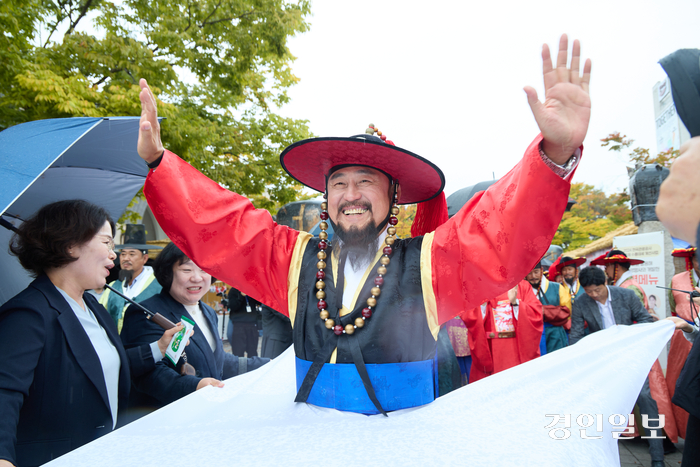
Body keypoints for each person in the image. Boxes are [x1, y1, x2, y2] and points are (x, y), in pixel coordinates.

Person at [135, 34, 591, 414]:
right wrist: (160, 164)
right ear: (326, 198)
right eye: (339, 184)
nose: (350, 195)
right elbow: (226, 226)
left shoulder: (428, 266)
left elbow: (496, 231)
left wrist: (553, 154)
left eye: (365, 182)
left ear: (393, 197)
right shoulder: (295, 262)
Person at [0, 200, 180, 467]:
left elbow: (95, 369)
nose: (114, 254)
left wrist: (158, 349)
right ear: (70, 244)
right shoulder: (28, 314)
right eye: (107, 242)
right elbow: (5, 393)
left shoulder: (93, 305)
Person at [120, 242, 269, 410]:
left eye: (204, 270)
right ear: (168, 273)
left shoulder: (207, 311)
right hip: (167, 416)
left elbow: (215, 359)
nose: (197, 277)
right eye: (187, 270)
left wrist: (270, 364)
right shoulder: (146, 312)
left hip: (204, 411)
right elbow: (149, 373)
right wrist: (194, 386)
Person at [571, 266, 665, 466]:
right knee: (599, 405)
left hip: (631, 356)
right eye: (589, 292)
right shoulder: (580, 302)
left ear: (606, 283)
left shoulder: (627, 295)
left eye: (597, 290)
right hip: (601, 360)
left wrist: (628, 338)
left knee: (646, 399)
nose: (594, 295)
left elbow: (645, 320)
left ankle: (658, 456)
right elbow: (576, 334)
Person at [463, 280, 543, 383]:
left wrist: (516, 303)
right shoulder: (478, 285)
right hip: (490, 348)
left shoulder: (521, 285)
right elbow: (469, 316)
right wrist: (482, 305)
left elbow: (536, 314)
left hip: (515, 348)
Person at [99, 224, 162, 331]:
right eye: (123, 254)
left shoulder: (159, 286)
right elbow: (100, 316)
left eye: (132, 254)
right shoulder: (113, 286)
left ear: (145, 258)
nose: (126, 258)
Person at [665, 246, 698, 441]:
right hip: (683, 337)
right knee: (680, 383)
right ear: (691, 259)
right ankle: (685, 433)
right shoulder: (677, 280)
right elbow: (673, 307)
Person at [526, 260, 570, 353]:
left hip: (556, 334)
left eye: (536, 272)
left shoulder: (557, 287)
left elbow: (568, 311)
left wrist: (543, 311)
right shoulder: (522, 292)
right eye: (529, 273)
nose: (533, 276)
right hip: (533, 336)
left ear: (542, 270)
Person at [227, 287, 262, 357]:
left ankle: (253, 367)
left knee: (252, 352)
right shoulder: (234, 291)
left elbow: (259, 302)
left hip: (252, 324)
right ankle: (239, 368)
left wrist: (254, 293)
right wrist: (241, 296)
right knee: (238, 352)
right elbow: (233, 307)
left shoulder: (252, 289)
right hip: (238, 325)